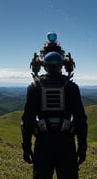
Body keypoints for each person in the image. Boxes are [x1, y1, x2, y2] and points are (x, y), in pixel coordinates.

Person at [21, 50, 88, 179]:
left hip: (43, 143)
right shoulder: (72, 87)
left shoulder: (35, 87)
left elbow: (27, 120)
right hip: (66, 143)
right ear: (62, 65)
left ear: (43, 66)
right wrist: (82, 147)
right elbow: (80, 120)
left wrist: (26, 148)